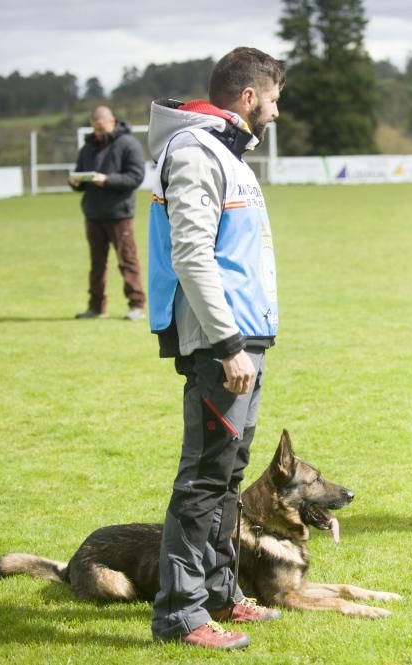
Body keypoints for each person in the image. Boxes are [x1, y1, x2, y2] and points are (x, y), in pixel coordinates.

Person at [146, 47, 285, 650]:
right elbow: (192, 255)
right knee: (203, 479)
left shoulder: (225, 153)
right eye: (274, 100)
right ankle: (180, 613)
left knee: (228, 477)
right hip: (220, 344)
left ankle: (222, 596)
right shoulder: (196, 153)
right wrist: (228, 345)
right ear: (248, 97)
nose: (276, 113)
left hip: (243, 338)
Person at [68, 105, 147, 321]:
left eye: (101, 129)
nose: (98, 133)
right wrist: (75, 182)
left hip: (120, 214)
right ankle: (96, 307)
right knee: (97, 264)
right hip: (93, 214)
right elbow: (81, 177)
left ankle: (137, 305)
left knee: (127, 261)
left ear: (112, 121)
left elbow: (136, 177)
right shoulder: (87, 148)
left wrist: (107, 179)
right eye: (94, 129)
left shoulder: (128, 144)